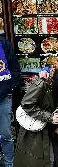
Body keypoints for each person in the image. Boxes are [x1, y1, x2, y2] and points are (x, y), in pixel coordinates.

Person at [14, 50, 58, 167]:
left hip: (57, 131)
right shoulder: (44, 81)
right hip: (37, 131)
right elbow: (27, 104)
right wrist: (50, 117)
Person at [0, 36, 20, 167]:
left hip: (3, 97)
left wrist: (9, 88)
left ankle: (9, 163)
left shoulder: (3, 43)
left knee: (6, 134)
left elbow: (15, 68)